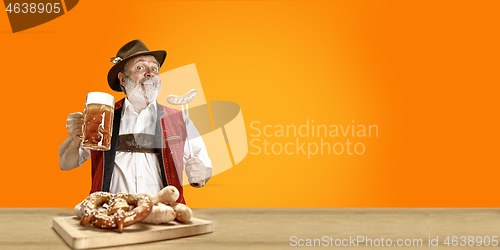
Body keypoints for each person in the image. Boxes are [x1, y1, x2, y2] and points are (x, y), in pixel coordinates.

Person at [58, 40, 212, 204]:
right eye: (140, 68)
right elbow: (66, 163)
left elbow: (205, 168)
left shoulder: (179, 120)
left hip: (165, 217)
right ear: (123, 79)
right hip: (111, 216)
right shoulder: (103, 116)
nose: (150, 73)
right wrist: (74, 137)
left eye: (154, 69)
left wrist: (202, 174)